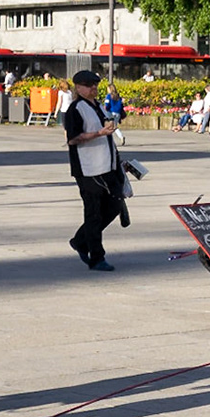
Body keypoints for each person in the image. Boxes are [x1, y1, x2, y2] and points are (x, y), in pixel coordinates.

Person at [61, 71, 121, 270]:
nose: (93, 88)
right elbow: (72, 139)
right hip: (88, 168)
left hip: (107, 165)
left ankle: (80, 240)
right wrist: (98, 133)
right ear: (78, 88)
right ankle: (97, 257)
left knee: (114, 207)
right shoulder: (75, 109)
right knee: (93, 213)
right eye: (88, 85)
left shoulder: (98, 106)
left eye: (95, 84)